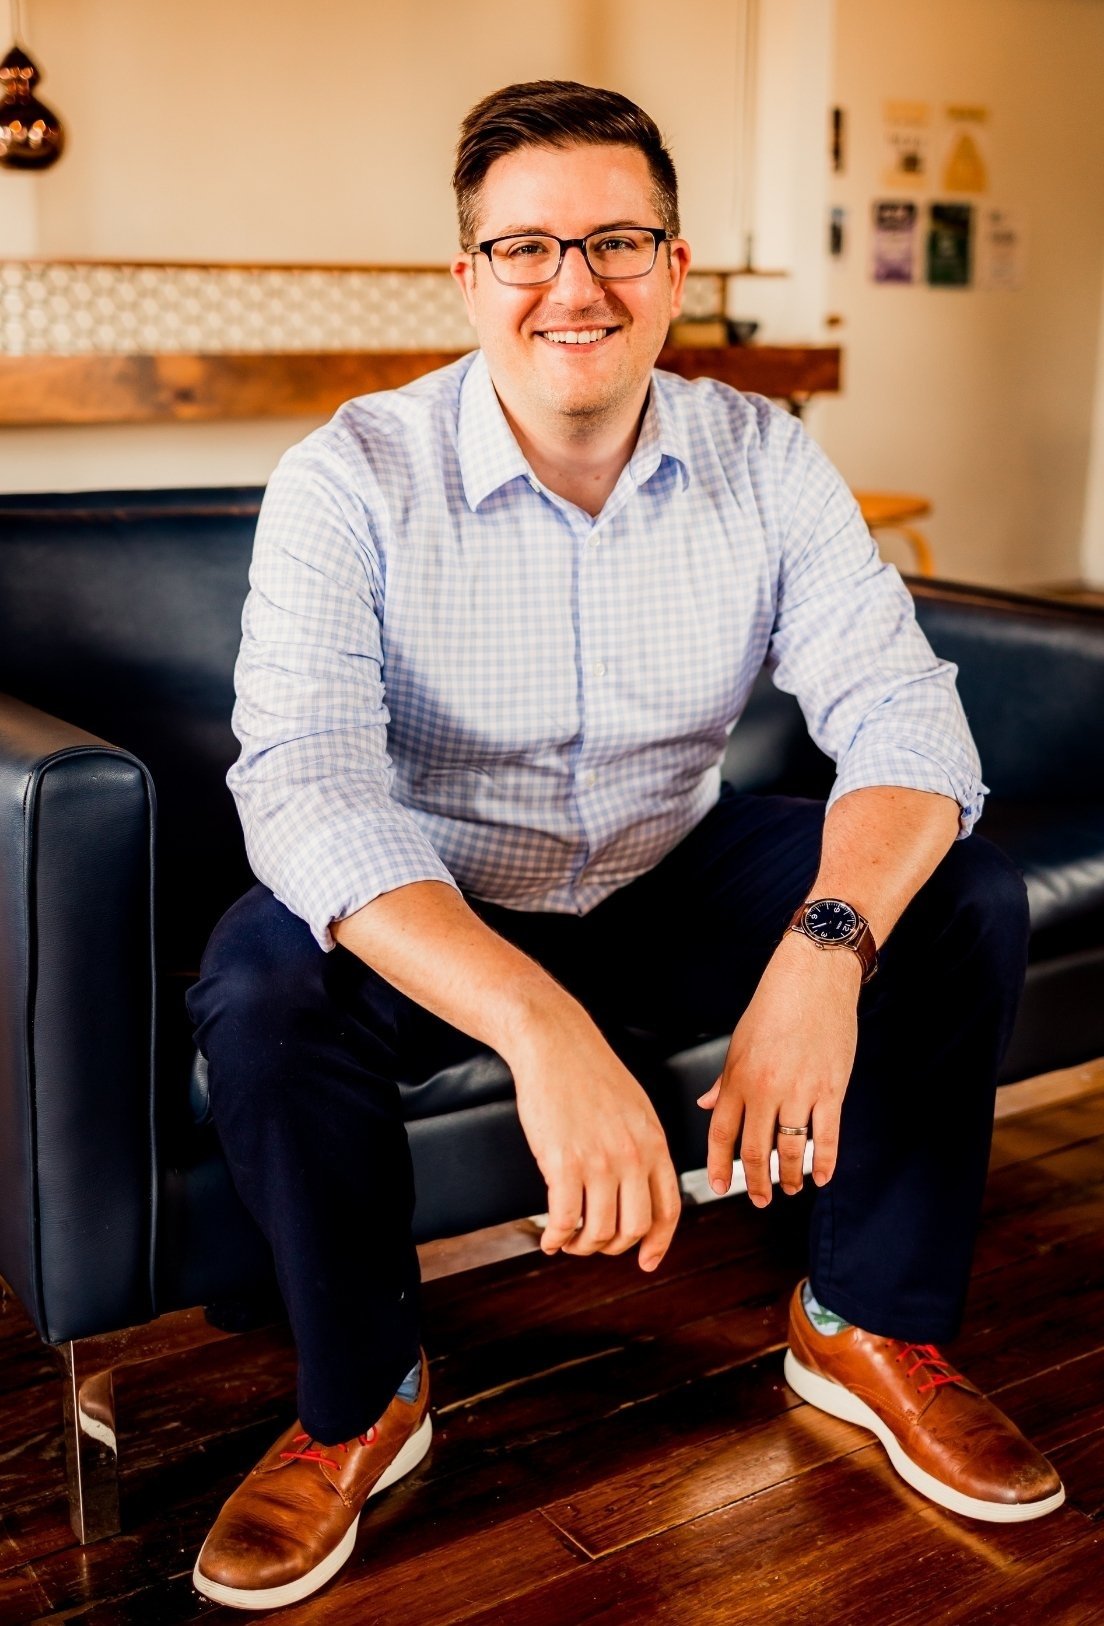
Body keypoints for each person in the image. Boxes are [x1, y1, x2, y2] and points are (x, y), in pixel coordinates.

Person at [187, 79, 1063, 1612]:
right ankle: (360, 1401)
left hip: (668, 862)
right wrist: (539, 1024)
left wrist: (826, 948)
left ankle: (863, 1319)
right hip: (449, 888)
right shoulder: (352, 475)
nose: (573, 285)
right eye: (524, 248)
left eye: (616, 240)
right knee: (263, 973)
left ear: (674, 266)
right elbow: (309, 792)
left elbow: (913, 727)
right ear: (468, 280)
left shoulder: (765, 456)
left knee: (959, 888)